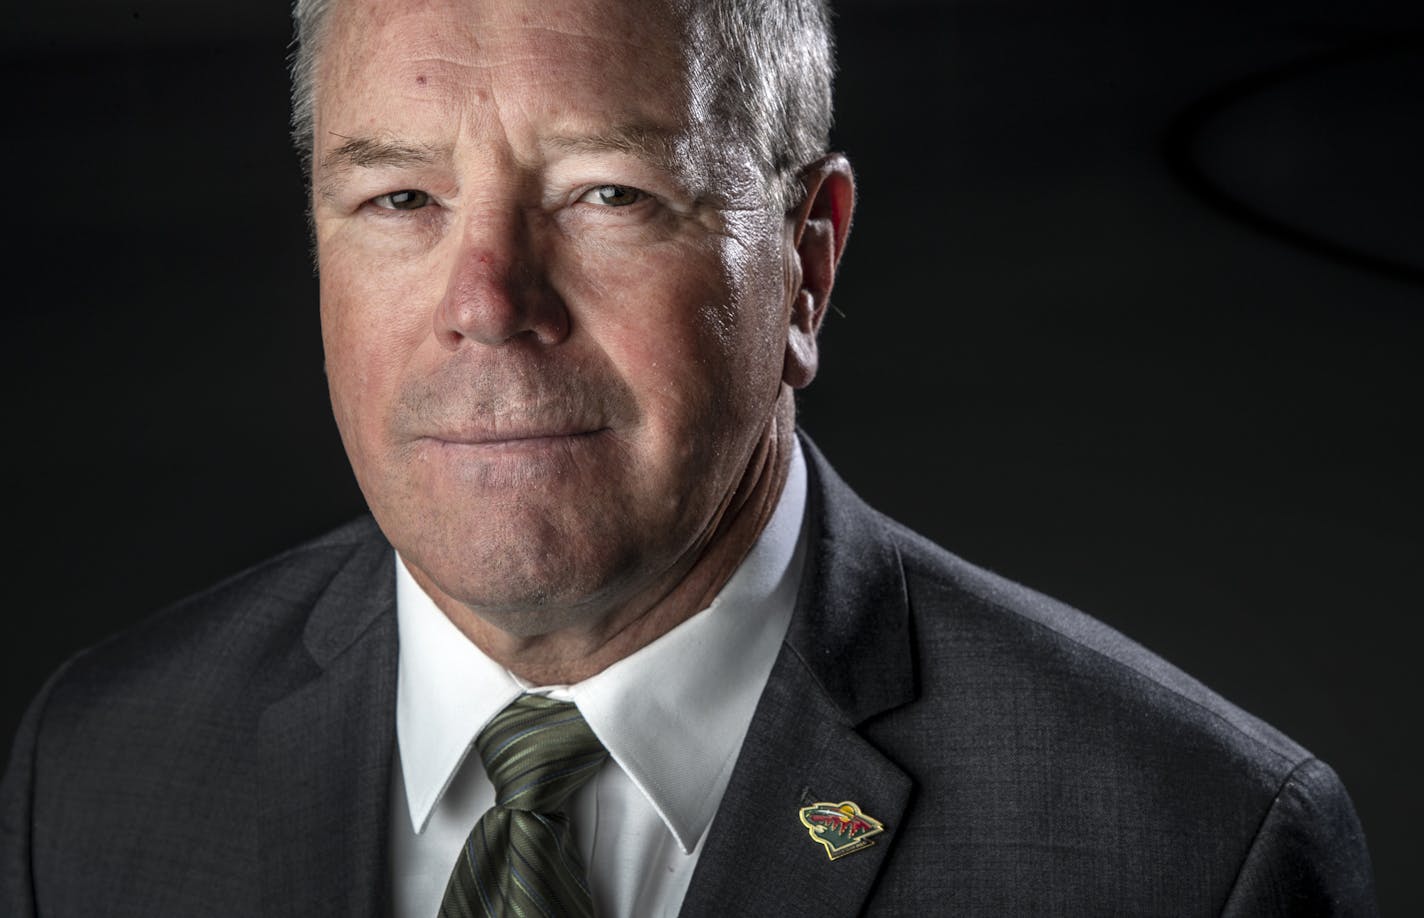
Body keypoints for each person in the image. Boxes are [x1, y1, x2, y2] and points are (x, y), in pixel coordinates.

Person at [0, 0, 1379, 914]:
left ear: (806, 267)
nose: (488, 301)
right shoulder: (99, 773)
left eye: (609, 192)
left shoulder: (1190, 857)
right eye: (400, 197)